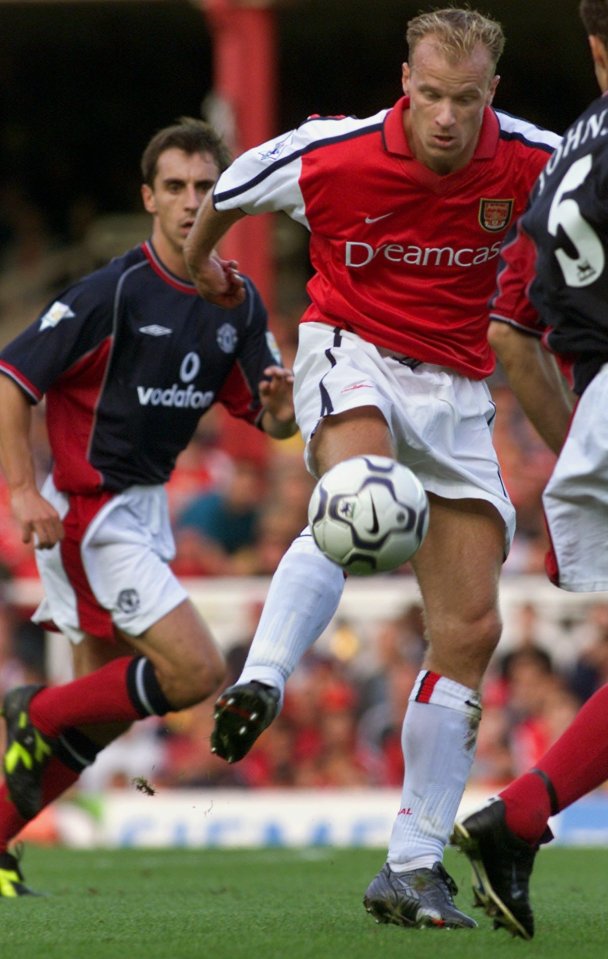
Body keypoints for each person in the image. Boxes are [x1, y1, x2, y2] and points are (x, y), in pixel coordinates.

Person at [184, 6, 561, 928]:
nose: (444, 115)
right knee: (362, 495)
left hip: (463, 390)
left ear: (491, 96)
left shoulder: (532, 157)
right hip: (352, 350)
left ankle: (411, 862)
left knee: (470, 627)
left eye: (463, 100)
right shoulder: (332, 153)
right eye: (429, 93)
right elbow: (228, 188)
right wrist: (201, 271)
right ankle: (265, 673)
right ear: (404, 81)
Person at [451, 0, 608, 940]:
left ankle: (515, 816)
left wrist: (589, 449)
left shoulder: (556, 163)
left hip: (601, 418)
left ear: (595, 50)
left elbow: (509, 337)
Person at [0, 117, 297, 897]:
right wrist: (22, 488)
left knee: (100, 715)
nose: (192, 201)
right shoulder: (112, 291)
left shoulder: (237, 302)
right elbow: (12, 376)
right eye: (175, 187)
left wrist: (284, 405)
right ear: (149, 198)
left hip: (138, 510)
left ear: (227, 195)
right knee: (194, 668)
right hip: (88, 512)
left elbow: (269, 419)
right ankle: (33, 706)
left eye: (206, 187)